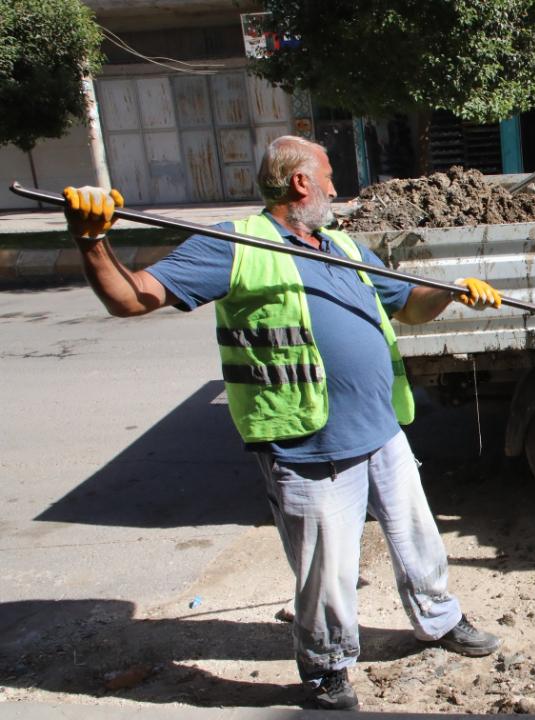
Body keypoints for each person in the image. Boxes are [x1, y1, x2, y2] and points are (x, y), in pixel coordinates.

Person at [61, 135, 505, 711]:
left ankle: (440, 620)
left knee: (419, 541)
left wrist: (454, 296)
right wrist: (92, 239)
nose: (336, 188)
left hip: (381, 429)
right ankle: (326, 670)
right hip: (306, 442)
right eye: (328, 177)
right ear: (301, 184)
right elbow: (130, 297)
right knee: (326, 572)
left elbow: (411, 305)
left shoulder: (341, 246)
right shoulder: (233, 245)